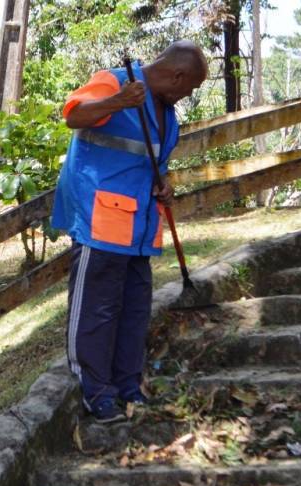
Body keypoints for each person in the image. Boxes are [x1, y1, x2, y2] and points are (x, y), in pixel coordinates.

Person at [52, 41, 208, 423]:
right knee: (98, 311)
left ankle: (128, 386)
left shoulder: (167, 114)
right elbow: (73, 116)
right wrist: (118, 102)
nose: (187, 95)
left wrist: (164, 184)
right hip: (100, 222)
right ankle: (96, 393)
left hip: (140, 231)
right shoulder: (115, 81)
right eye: (189, 88)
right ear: (177, 76)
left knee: (134, 312)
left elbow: (154, 166)